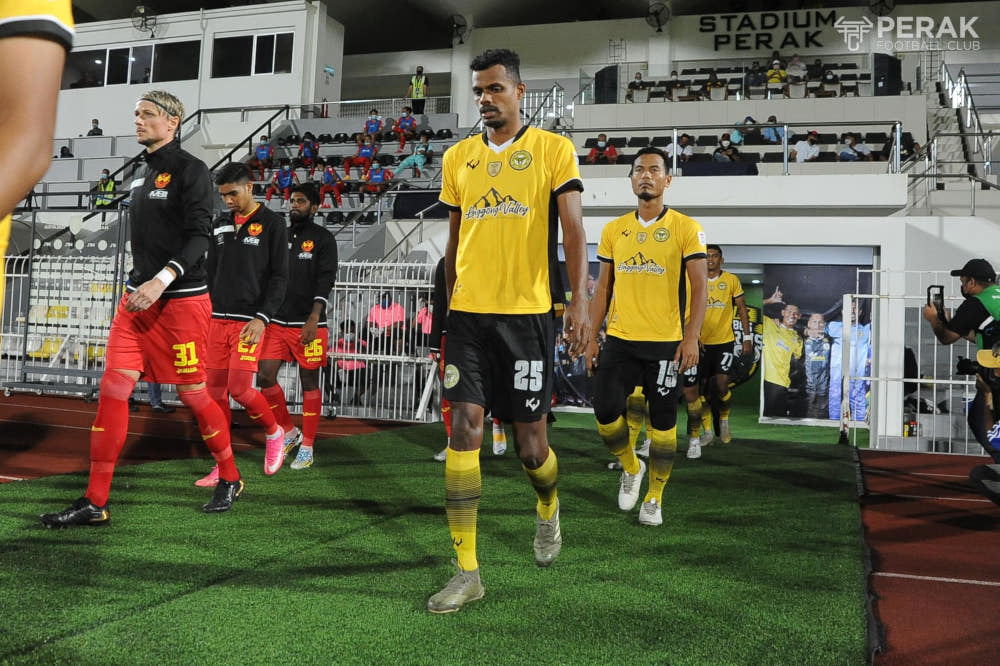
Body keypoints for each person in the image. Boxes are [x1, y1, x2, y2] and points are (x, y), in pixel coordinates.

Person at [427, 48, 591, 613]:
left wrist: (578, 303)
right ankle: (466, 570)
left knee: (530, 446)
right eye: (479, 90)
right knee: (464, 429)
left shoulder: (552, 150)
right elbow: (453, 244)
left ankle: (547, 509)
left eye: (495, 88)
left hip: (527, 318)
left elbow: (573, 230)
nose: (485, 99)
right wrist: (445, 316)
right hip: (468, 317)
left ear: (520, 91)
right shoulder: (457, 158)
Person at [41, 90, 245, 527]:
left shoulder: (192, 171)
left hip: (182, 303)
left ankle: (229, 474)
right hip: (136, 304)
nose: (138, 122)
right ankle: (95, 502)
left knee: (194, 395)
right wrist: (144, 282)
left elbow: (199, 237)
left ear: (172, 122)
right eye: (136, 115)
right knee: (112, 393)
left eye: (147, 115)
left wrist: (163, 278)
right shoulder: (140, 173)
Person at [587, 146, 707, 523]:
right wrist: (592, 335)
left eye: (655, 170)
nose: (646, 175)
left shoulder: (687, 228)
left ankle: (654, 497)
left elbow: (700, 288)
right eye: (639, 170)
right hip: (620, 339)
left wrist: (691, 337)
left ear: (667, 180)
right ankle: (631, 469)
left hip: (666, 344)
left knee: (664, 424)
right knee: (605, 413)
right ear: (631, 179)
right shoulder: (613, 229)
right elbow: (602, 289)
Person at [193, 161, 288, 488]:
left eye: (233, 194)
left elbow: (280, 277)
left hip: (249, 322)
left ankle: (275, 433)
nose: (228, 201)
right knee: (213, 394)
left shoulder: (272, 224)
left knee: (242, 390)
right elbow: (209, 271)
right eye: (223, 196)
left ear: (250, 186)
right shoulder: (220, 224)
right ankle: (223, 466)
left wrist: (263, 318)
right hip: (215, 320)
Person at [257, 183, 337, 471]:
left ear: (314, 208)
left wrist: (314, 319)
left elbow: (325, 281)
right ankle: (290, 432)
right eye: (292, 201)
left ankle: (308, 447)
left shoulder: (324, 239)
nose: (294, 205)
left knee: (309, 383)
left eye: (301, 202)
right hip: (277, 321)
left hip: (309, 323)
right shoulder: (280, 235)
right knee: (265, 377)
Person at [922, 259, 1000, 500]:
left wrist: (934, 320)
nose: (962, 285)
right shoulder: (995, 298)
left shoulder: (975, 304)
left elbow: (947, 338)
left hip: (994, 379)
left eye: (963, 281)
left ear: (972, 282)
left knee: (982, 422)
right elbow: (983, 332)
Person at [427, 257, 508, 462]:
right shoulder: (446, 262)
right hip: (452, 334)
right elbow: (440, 302)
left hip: (490, 331)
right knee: (450, 388)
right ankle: (451, 442)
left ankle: (498, 422)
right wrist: (435, 342)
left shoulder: (491, 257)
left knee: (494, 380)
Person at [694, 244, 752, 449]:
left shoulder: (731, 280)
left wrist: (747, 337)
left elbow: (743, 309)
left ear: (721, 260)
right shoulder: (695, 279)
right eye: (707, 256)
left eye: (715, 256)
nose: (710, 259)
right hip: (699, 343)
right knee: (698, 389)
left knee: (721, 385)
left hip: (724, 342)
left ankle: (724, 421)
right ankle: (708, 431)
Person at [761, 286, 803, 417]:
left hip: (783, 383)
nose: (792, 315)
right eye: (789, 311)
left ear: (799, 316)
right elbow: (746, 307)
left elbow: (798, 356)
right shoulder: (770, 324)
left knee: (777, 419)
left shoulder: (797, 337)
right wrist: (770, 300)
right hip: (767, 379)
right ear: (783, 312)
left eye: (795, 313)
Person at [803, 313, 831, 419]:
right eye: (814, 322)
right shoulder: (801, 338)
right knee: (807, 413)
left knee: (822, 414)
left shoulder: (832, 340)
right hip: (806, 386)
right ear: (809, 323)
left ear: (825, 324)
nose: (818, 325)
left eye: (820, 322)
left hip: (825, 386)